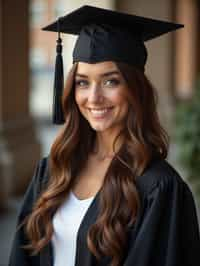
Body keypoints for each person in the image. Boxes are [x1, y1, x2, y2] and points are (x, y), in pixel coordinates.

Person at [9, 5, 200, 266]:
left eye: (111, 81)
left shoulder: (159, 187)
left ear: (135, 89)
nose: (94, 97)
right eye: (82, 82)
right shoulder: (53, 170)